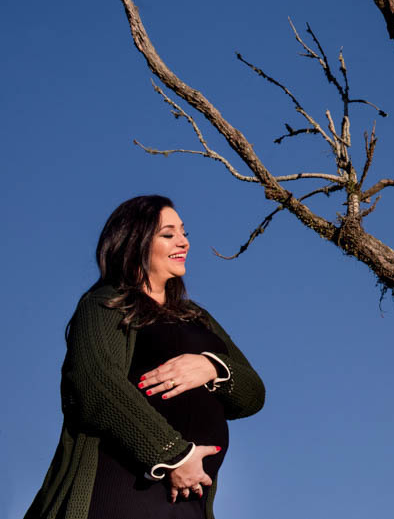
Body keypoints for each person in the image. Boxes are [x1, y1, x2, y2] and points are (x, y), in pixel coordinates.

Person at [25, 195, 265, 519]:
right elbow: (94, 383)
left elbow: (253, 393)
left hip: (189, 502)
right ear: (135, 242)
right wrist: (173, 454)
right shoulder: (106, 304)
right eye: (168, 234)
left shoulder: (198, 317)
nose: (183, 242)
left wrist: (211, 367)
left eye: (184, 233)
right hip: (120, 494)